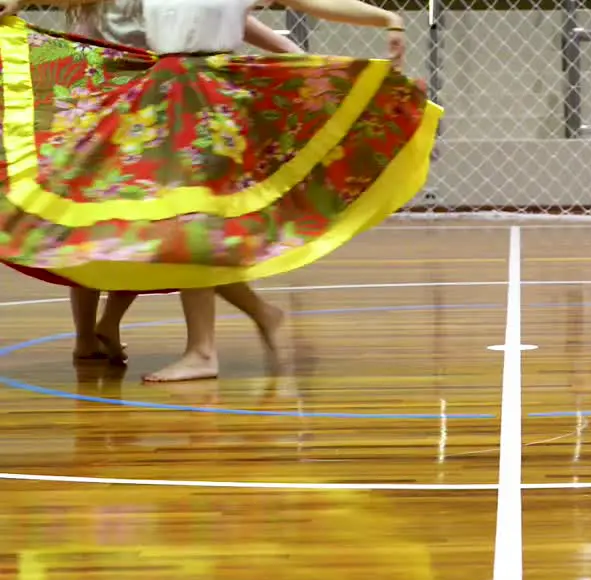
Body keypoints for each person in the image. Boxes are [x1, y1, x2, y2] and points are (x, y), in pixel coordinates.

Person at [0, 0, 441, 382]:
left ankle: (207, 347)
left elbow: (310, 3)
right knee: (168, 219)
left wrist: (388, 18)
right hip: (163, 90)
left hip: (206, 95)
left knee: (190, 219)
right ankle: (228, 330)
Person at [2, 0, 302, 367]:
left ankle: (100, 330)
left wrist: (288, 50)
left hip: (138, 106)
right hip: (119, 105)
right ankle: (96, 332)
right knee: (120, 227)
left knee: (131, 226)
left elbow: (227, 13)